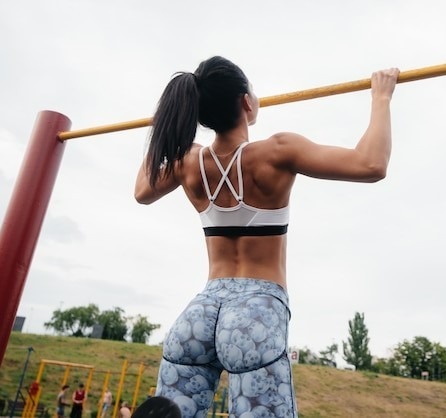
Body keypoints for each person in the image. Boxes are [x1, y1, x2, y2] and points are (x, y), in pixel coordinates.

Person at [135, 56, 399, 418]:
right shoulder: (277, 151)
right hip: (255, 315)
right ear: (246, 102)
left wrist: (166, 126)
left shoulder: (187, 162)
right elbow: (371, 165)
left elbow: (141, 190)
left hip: (200, 313)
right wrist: (381, 98)